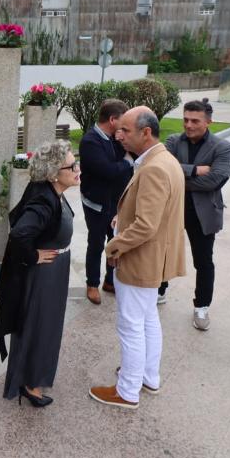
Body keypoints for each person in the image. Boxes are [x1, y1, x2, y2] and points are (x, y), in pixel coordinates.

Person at [90, 107, 185, 410]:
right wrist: (124, 216)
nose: (119, 135)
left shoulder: (155, 167)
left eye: (126, 130)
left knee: (130, 324)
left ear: (146, 132)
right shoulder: (163, 159)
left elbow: (146, 225)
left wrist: (114, 246)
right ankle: (147, 375)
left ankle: (127, 390)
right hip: (152, 257)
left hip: (140, 259)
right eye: (119, 130)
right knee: (147, 319)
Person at [0, 140, 80, 408]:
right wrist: (34, 255)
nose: (78, 169)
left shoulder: (48, 190)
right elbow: (19, 233)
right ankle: (30, 384)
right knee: (42, 327)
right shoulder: (44, 199)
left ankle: (28, 375)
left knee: (42, 325)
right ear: (54, 172)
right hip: (45, 275)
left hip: (53, 271)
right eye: (72, 165)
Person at [158, 99, 230, 329]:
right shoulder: (173, 141)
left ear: (208, 122)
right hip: (173, 209)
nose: (188, 125)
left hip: (203, 214)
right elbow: (162, 171)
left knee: (203, 261)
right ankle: (159, 291)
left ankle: (201, 307)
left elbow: (214, 181)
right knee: (163, 251)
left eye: (195, 121)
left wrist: (179, 176)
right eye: (185, 119)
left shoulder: (223, 148)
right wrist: (194, 171)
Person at [78, 99, 133, 305]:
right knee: (96, 243)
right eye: (123, 121)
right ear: (112, 120)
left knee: (115, 241)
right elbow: (108, 171)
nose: (126, 126)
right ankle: (92, 284)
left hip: (117, 203)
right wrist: (126, 162)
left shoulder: (115, 138)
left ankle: (110, 281)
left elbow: (132, 155)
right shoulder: (91, 141)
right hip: (97, 204)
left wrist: (122, 146)